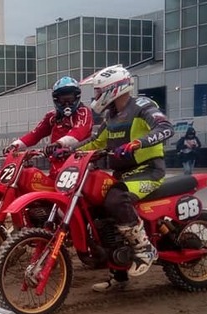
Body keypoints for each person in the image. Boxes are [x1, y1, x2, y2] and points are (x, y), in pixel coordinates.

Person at [77, 64, 175, 292]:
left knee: (115, 199)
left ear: (113, 89)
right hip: (123, 174)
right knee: (99, 209)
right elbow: (95, 143)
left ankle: (144, 248)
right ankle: (119, 274)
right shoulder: (111, 116)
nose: (96, 97)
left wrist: (137, 143)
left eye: (98, 92)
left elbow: (166, 127)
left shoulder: (142, 107)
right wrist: (68, 151)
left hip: (148, 170)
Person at [6, 76, 93, 176]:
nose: (67, 103)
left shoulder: (83, 112)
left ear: (77, 97)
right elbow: (35, 134)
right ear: (56, 100)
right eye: (63, 100)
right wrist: (14, 145)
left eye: (70, 99)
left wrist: (58, 144)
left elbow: (78, 132)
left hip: (80, 166)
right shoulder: (52, 116)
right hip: (56, 166)